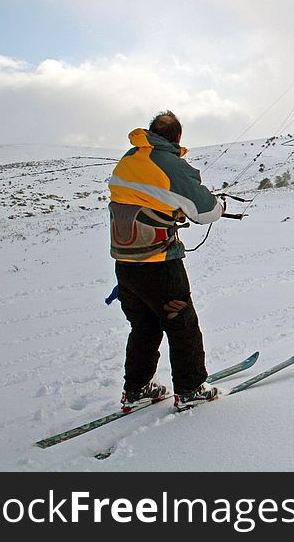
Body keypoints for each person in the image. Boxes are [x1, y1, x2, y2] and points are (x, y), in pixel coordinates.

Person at [108, 111, 224, 411]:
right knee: (181, 322)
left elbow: (146, 197)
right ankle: (190, 388)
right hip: (158, 261)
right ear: (177, 137)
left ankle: (136, 390)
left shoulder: (129, 159)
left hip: (124, 263)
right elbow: (206, 212)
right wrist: (219, 205)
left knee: (144, 326)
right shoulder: (170, 164)